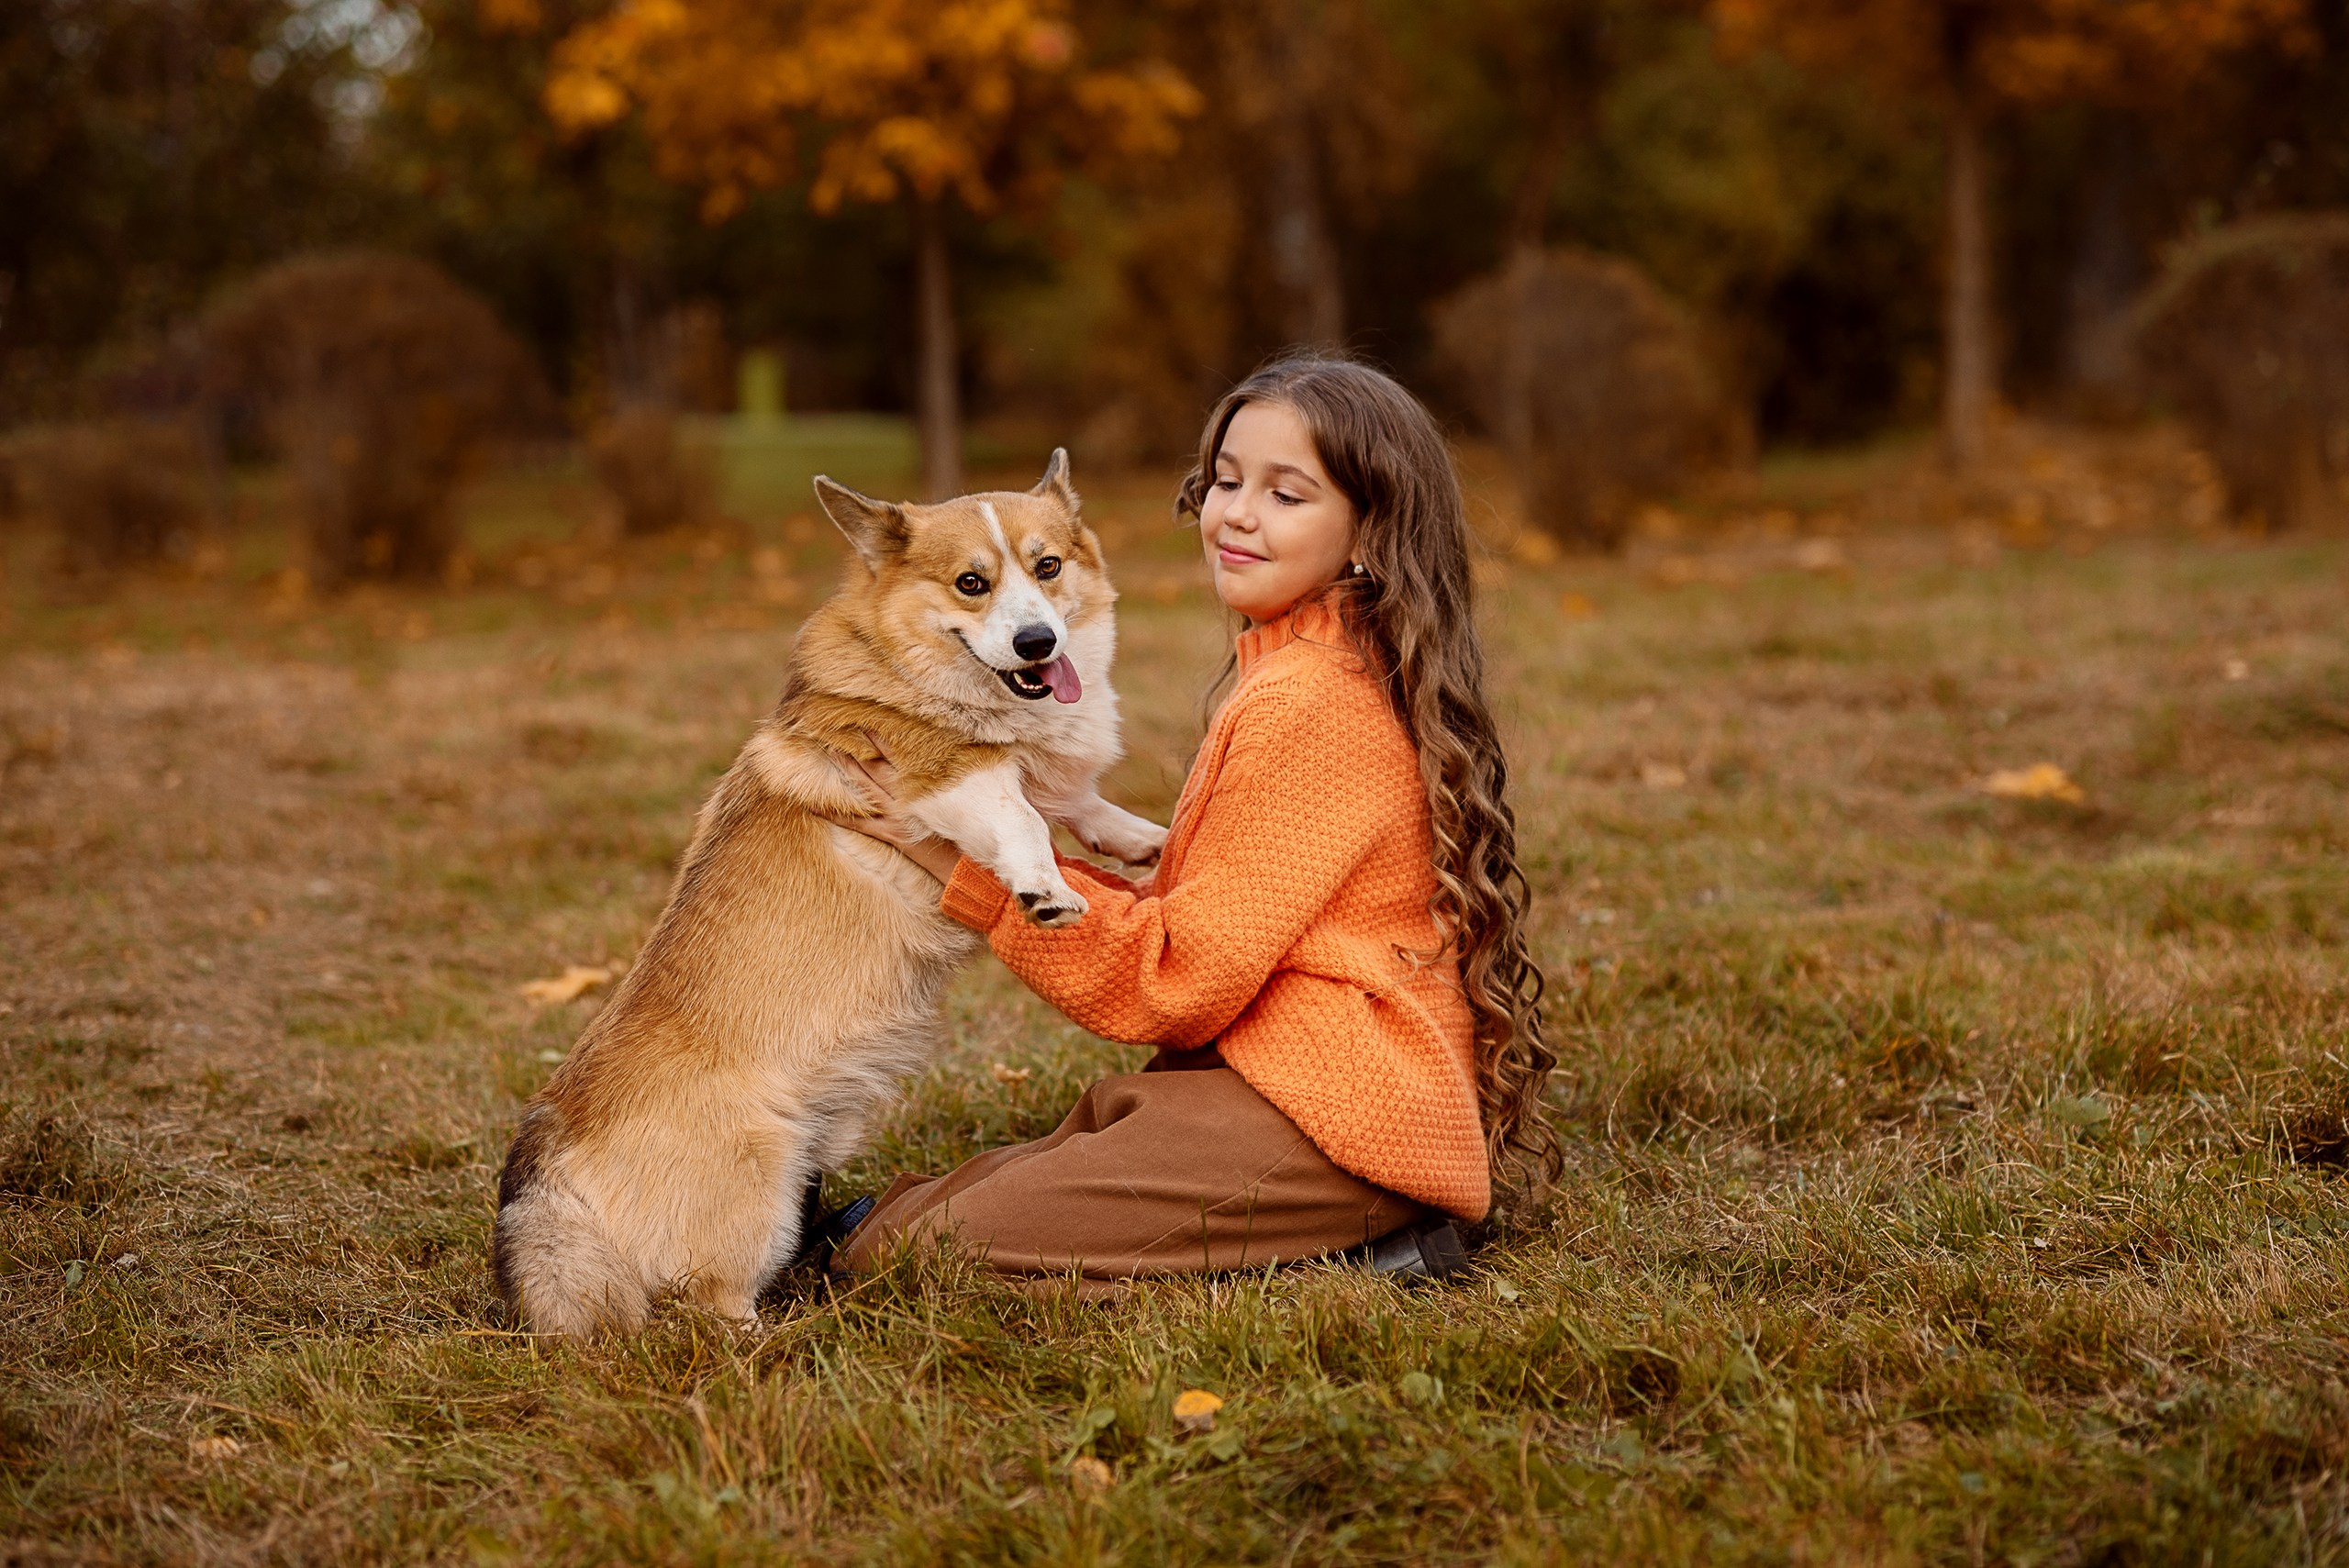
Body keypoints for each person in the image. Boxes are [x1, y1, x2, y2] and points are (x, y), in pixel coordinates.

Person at [818, 353, 1558, 1295]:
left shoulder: (1310, 700)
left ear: (1368, 528)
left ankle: (1370, 1249)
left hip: (1333, 1118)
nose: (1236, 512)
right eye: (1226, 479)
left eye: (1286, 494)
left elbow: (1174, 981)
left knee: (907, 1256)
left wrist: (951, 859)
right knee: (895, 1216)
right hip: (1267, 1075)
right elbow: (1206, 931)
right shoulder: (1305, 663)